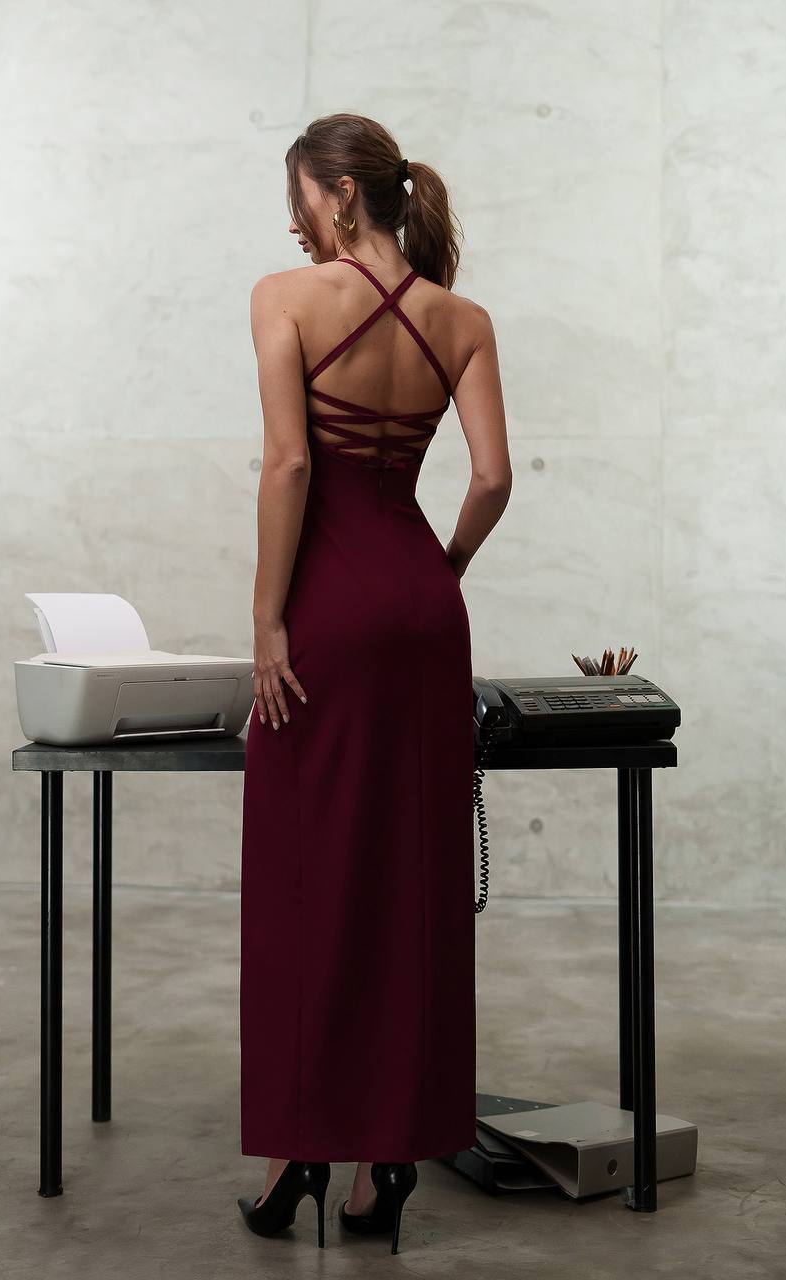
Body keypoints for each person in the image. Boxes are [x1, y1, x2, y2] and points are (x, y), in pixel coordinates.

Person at [237, 113, 511, 1254]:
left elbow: (291, 462)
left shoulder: (284, 299)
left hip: (328, 612)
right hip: (423, 608)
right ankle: (385, 1168)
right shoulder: (463, 320)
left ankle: (299, 1153)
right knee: (413, 884)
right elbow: (491, 478)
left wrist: (268, 621)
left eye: (299, 200)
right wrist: (437, 573)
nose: (292, 224)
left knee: (306, 880)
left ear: (341, 195)